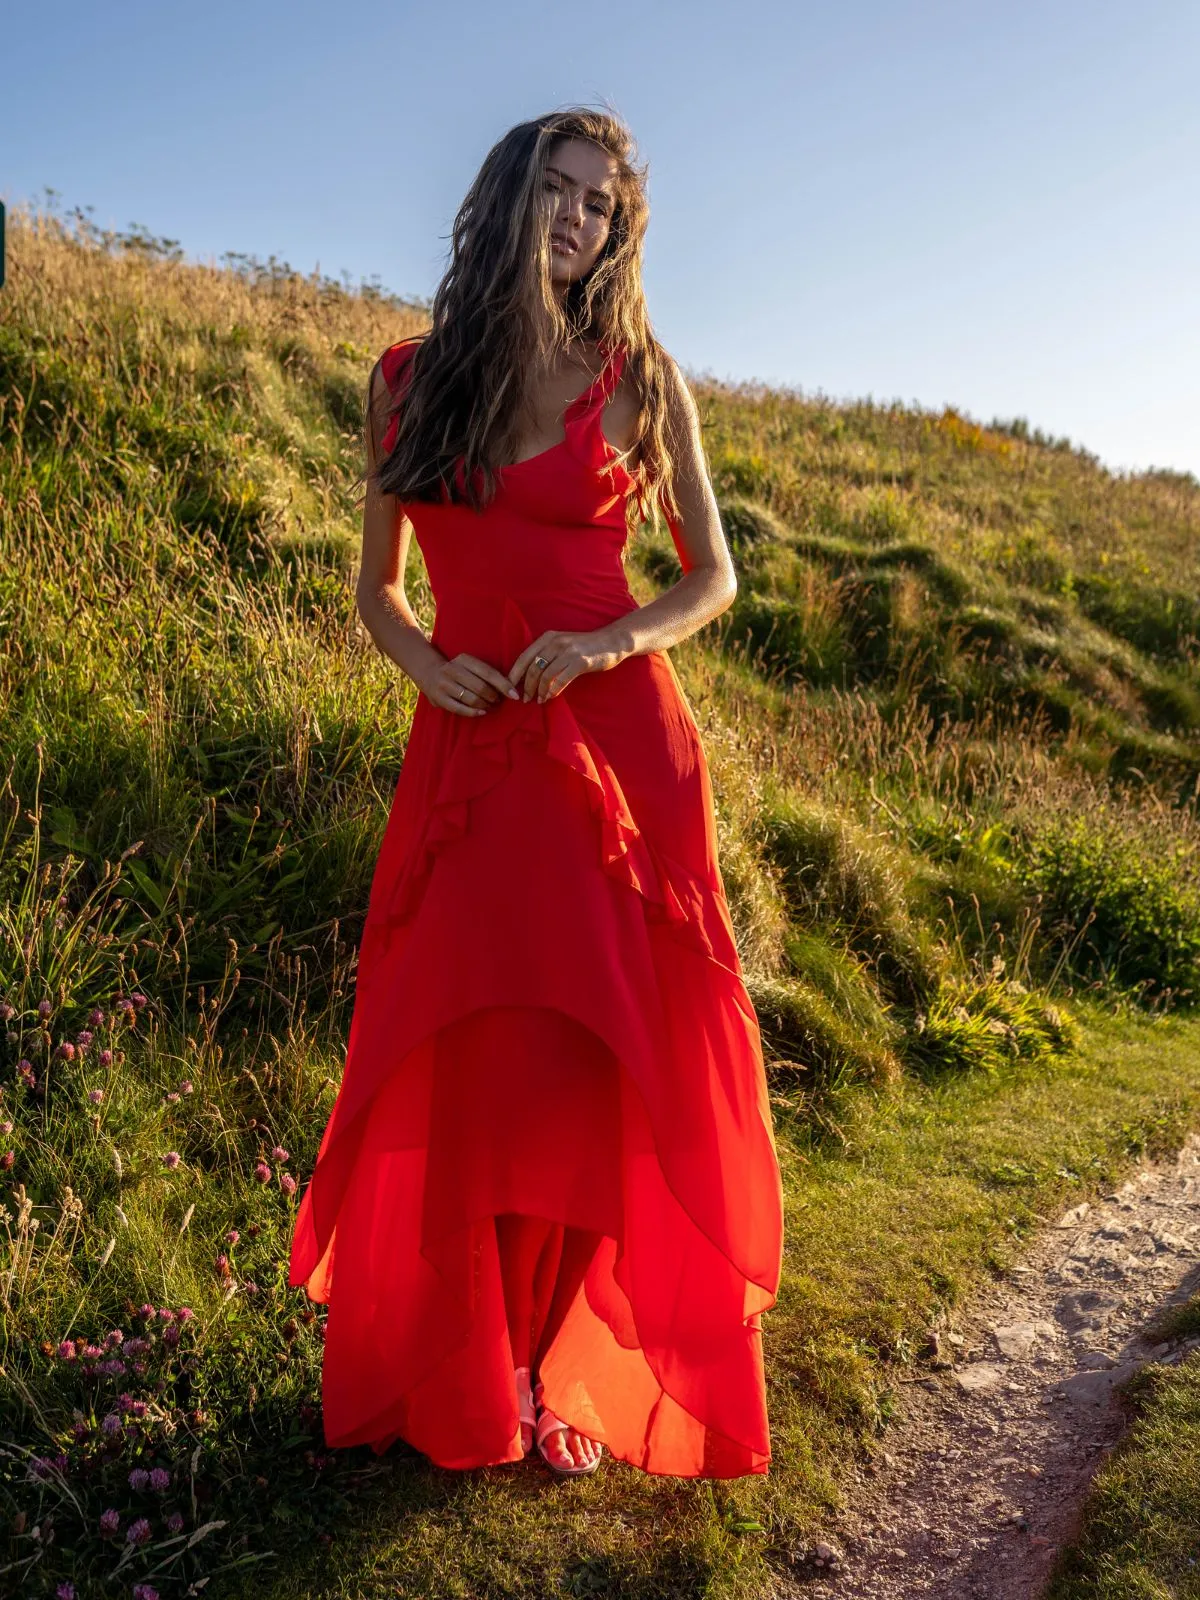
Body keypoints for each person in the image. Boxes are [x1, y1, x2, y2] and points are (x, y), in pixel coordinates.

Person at [288, 106, 784, 1479]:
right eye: (559, 191)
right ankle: (483, 1360)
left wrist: (611, 640)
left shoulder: (638, 377)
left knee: (598, 1062)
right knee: (471, 1052)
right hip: (469, 751)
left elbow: (711, 576)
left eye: (602, 203)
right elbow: (379, 588)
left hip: (615, 758)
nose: (580, 219)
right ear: (505, 198)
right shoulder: (407, 379)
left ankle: (569, 1370)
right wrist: (421, 663)